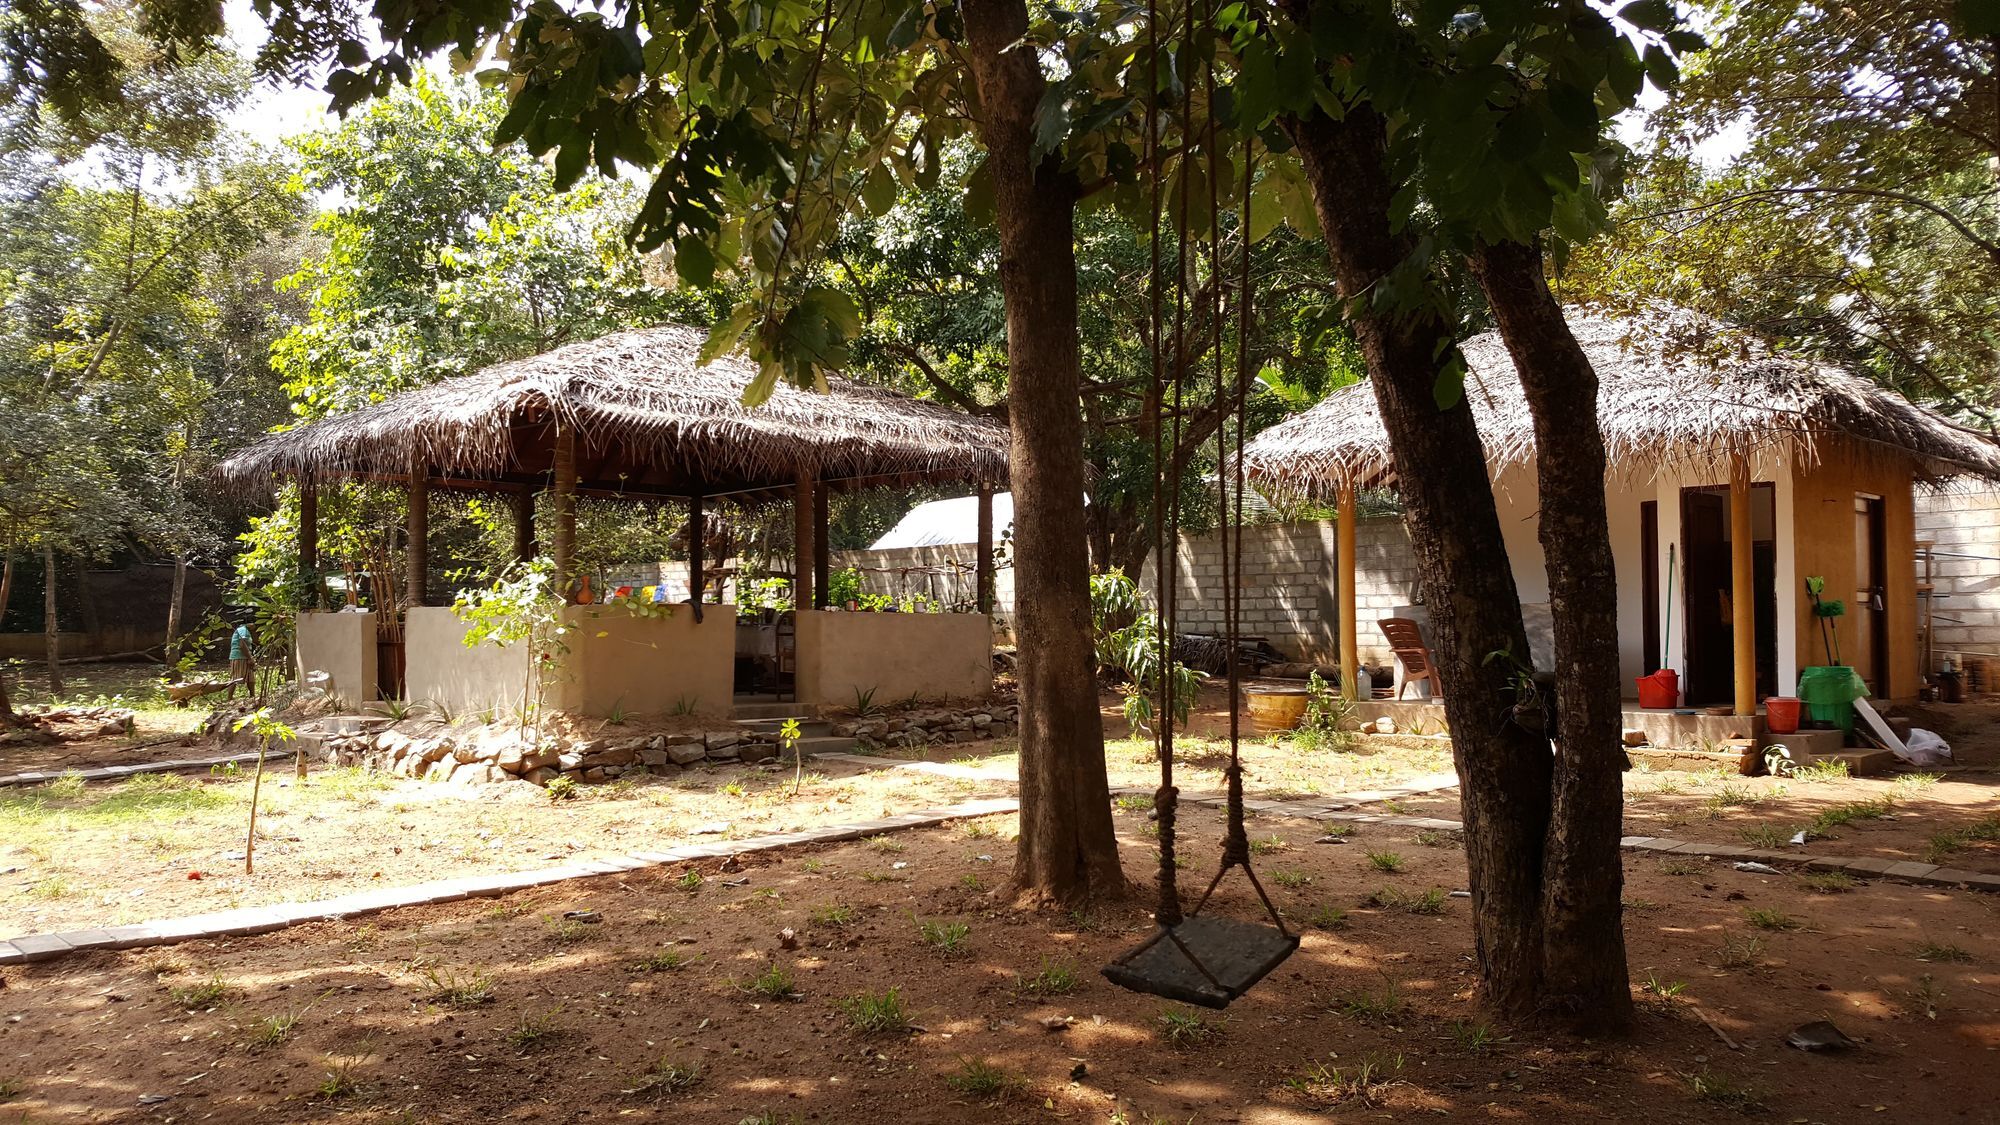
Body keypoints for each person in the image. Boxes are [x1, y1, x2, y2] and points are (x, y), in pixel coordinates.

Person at [228, 619, 256, 699]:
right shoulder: (243, 630)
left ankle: (252, 696)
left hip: (245, 656)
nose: (254, 626)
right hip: (239, 656)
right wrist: (250, 658)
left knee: (251, 677)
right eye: (253, 623)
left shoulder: (246, 630)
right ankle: (229, 698)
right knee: (236, 678)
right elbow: (242, 645)